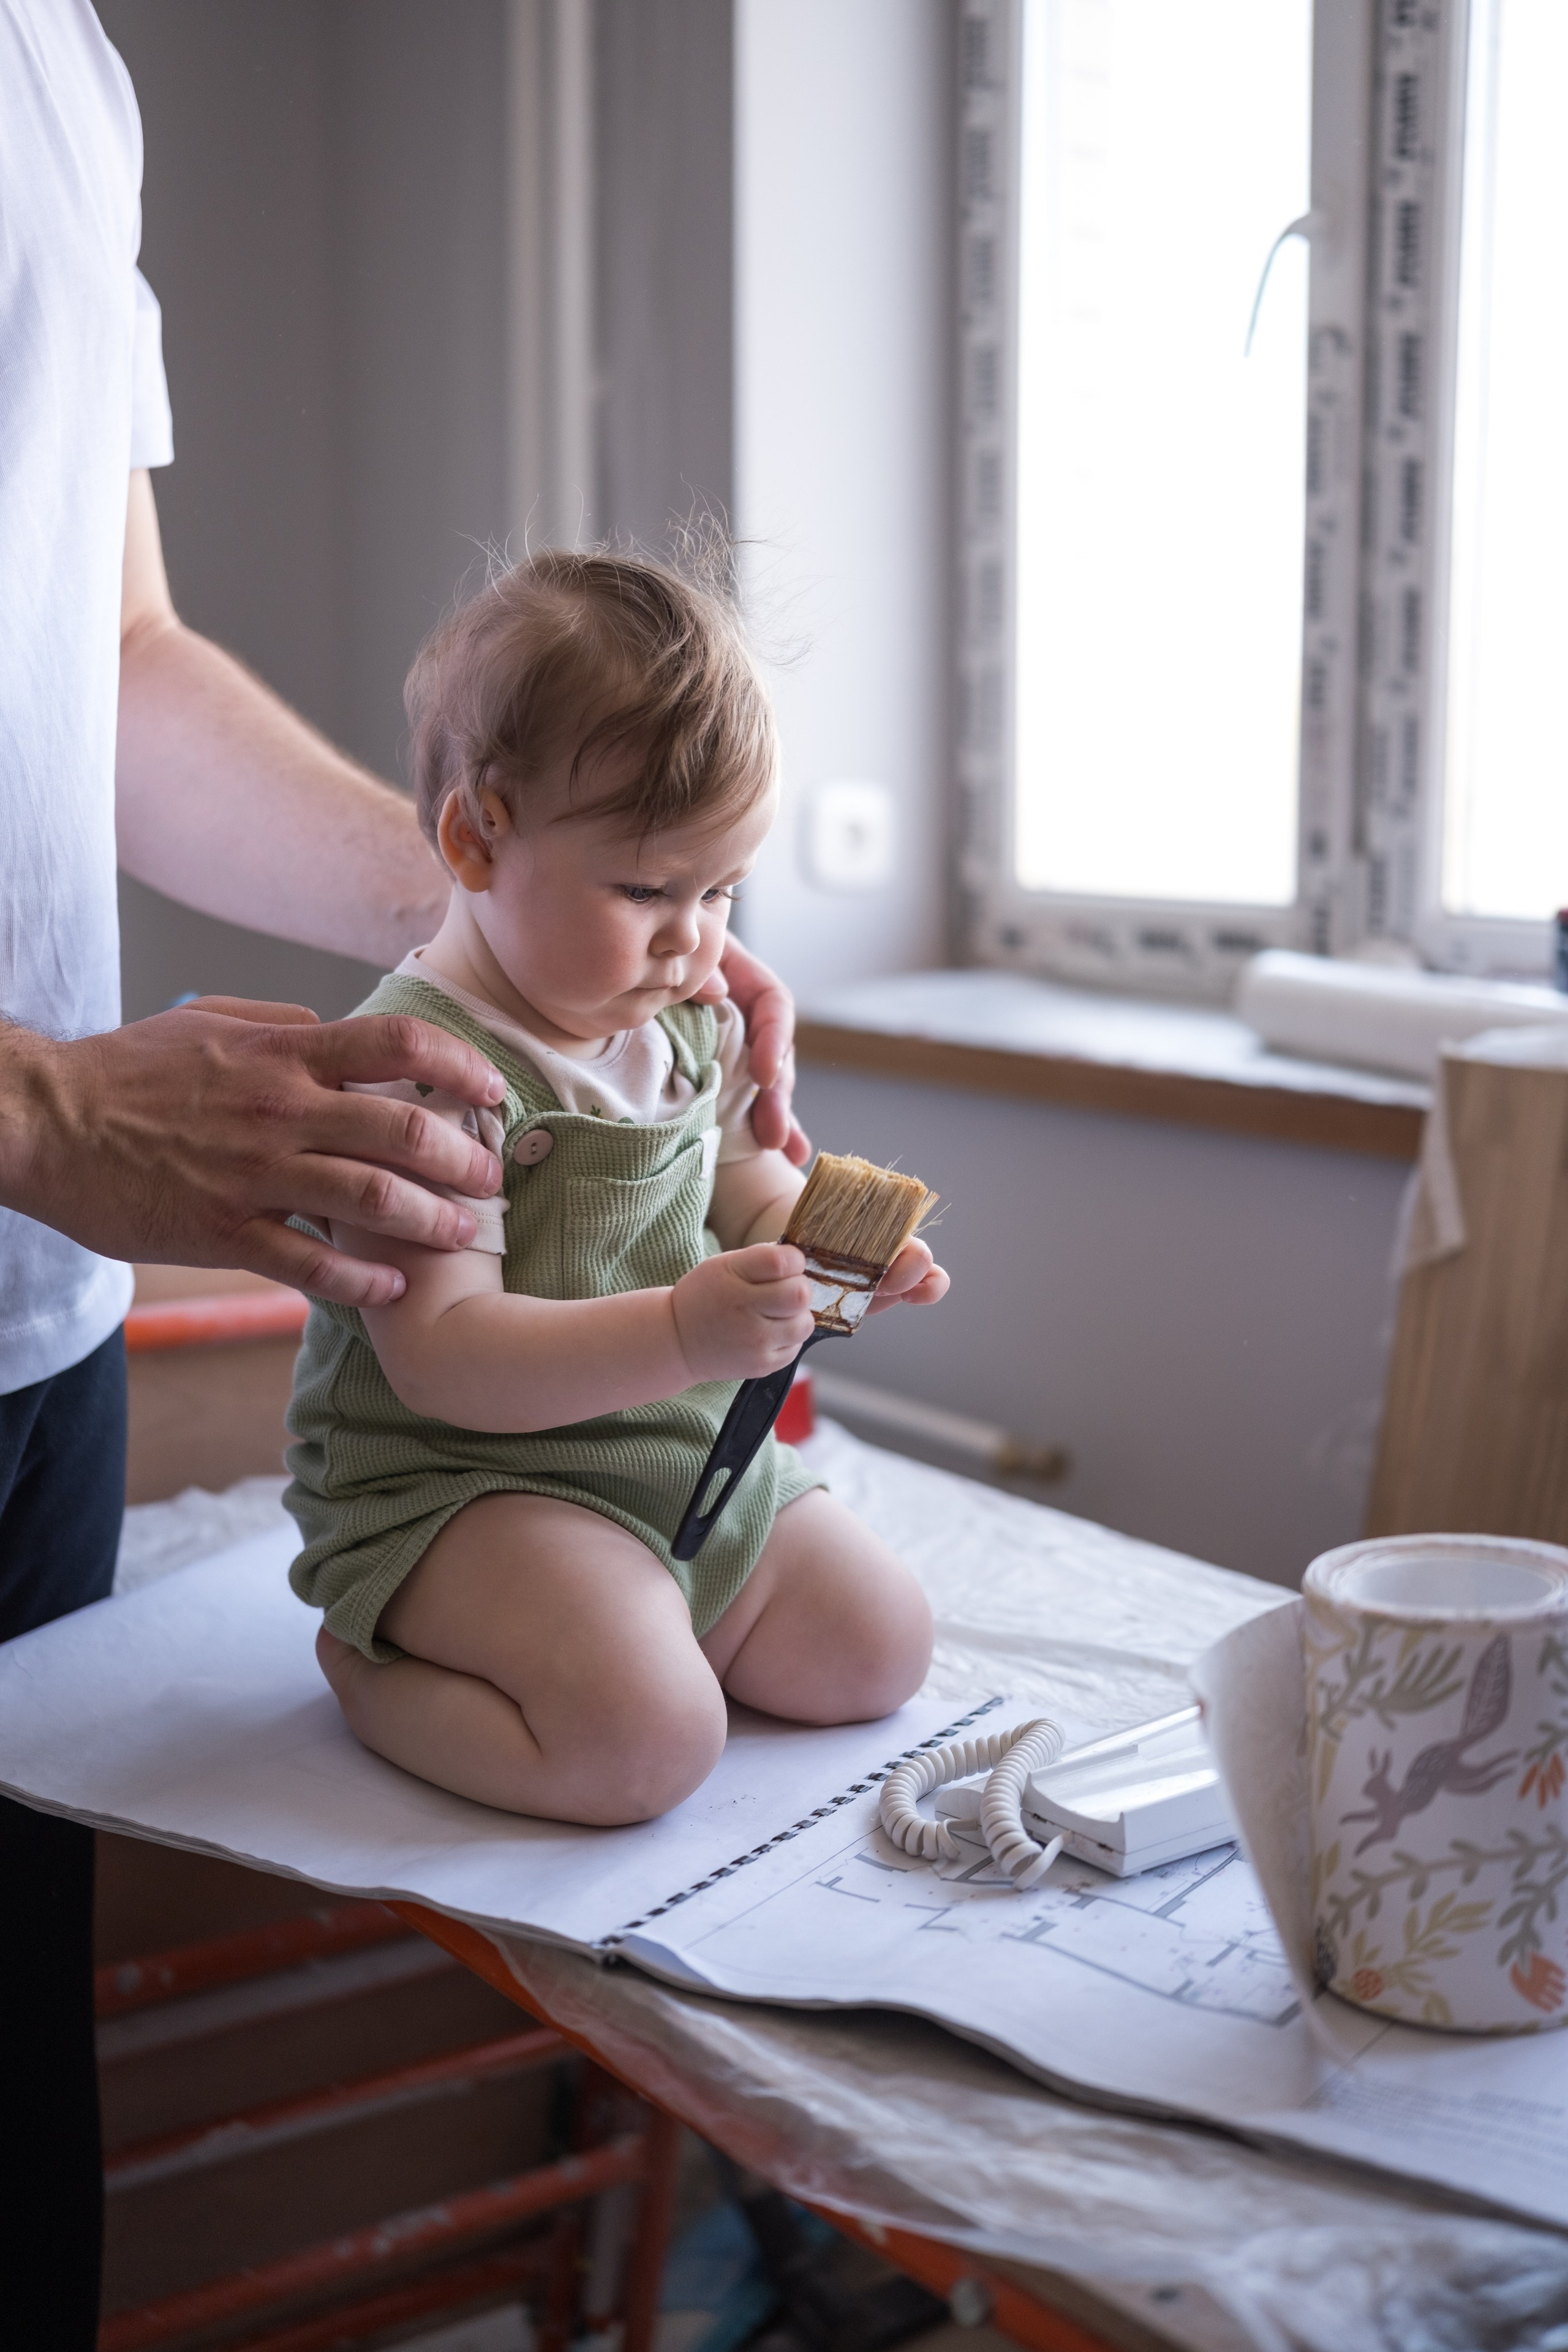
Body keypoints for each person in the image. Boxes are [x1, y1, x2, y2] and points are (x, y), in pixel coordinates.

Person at [0, 6, 799, 2339]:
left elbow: (111, 652)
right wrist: (39, 1104)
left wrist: (556, 926)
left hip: (38, 1339)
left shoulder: (61, 57)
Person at [286, 551, 948, 1822]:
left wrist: (826, 1253)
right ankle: (378, 1668)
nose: (697, 937)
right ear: (473, 838)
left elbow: (744, 1179)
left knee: (878, 1648)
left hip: (659, 1442)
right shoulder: (424, 1071)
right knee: (643, 1746)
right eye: (647, 888)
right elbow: (445, 1357)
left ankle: (628, 1617)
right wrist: (687, 1328)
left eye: (721, 888)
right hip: (463, 1485)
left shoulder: (680, 1016)